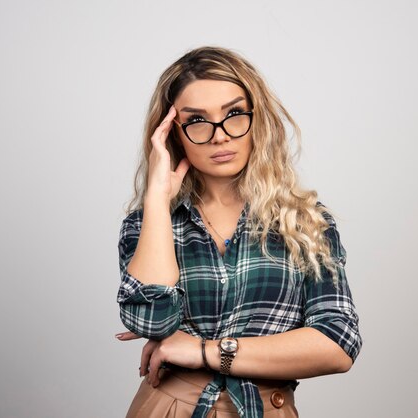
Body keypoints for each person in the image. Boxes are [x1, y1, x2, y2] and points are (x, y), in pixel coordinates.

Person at [114, 46, 362, 418]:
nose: (219, 136)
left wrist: (205, 351)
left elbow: (338, 343)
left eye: (233, 114)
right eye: (196, 120)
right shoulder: (148, 222)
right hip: (168, 408)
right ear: (173, 134)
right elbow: (149, 321)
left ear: (256, 119)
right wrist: (156, 199)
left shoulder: (306, 223)